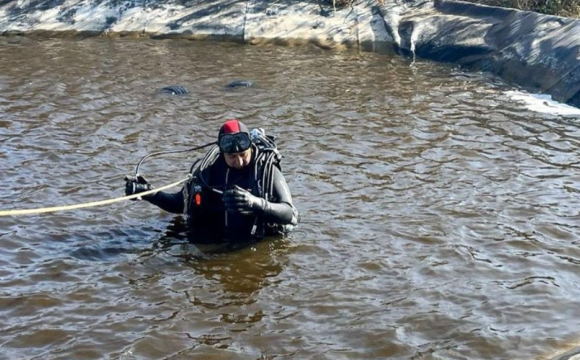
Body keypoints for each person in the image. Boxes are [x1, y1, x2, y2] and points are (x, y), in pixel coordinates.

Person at [125, 119, 299, 243]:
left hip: (253, 242)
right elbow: (180, 204)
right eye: (232, 157)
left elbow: (290, 214)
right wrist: (149, 193)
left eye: (243, 155)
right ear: (222, 153)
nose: (238, 162)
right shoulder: (208, 171)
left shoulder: (266, 170)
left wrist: (255, 203)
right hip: (214, 242)